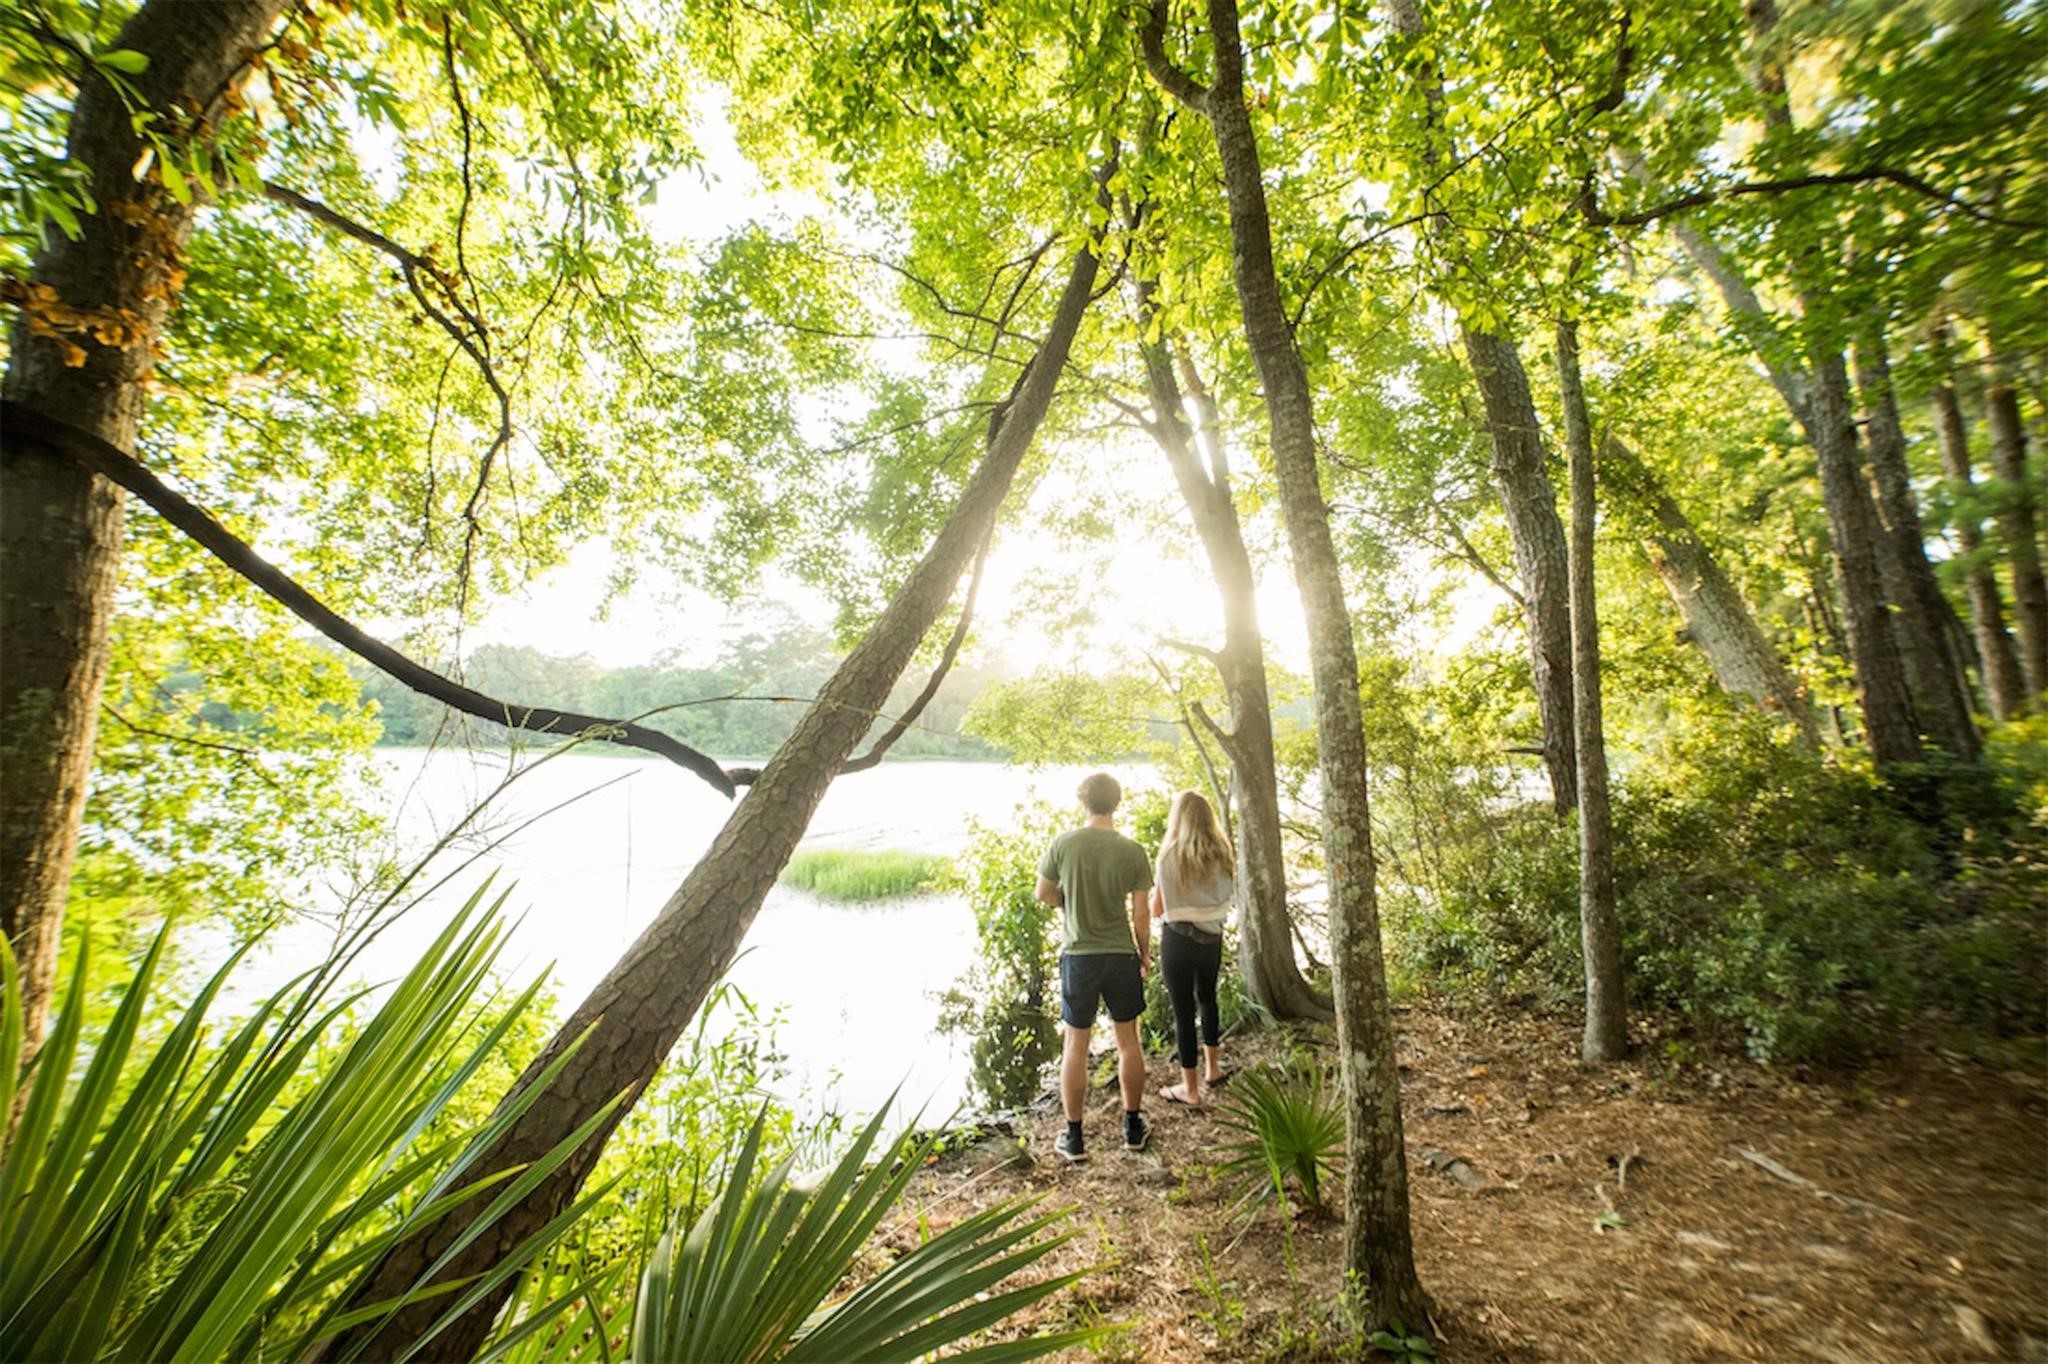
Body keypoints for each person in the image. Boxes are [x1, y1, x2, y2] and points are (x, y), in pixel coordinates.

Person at [1036, 770, 1153, 1162]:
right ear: (1116, 803)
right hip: (1120, 955)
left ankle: (1074, 1137)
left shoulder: (1064, 844)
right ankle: (1133, 1128)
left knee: (1076, 1044)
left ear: (1083, 802)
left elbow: (1044, 894)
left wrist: (1069, 902)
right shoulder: (1133, 851)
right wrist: (1145, 954)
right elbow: (1140, 914)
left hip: (1079, 957)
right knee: (1128, 1043)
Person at [1150, 789, 1235, 1107]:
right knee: (1208, 1000)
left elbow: (1158, 909)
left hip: (1178, 941)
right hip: (1212, 938)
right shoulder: (1223, 853)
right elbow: (1227, 897)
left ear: (1179, 819)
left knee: (1183, 1013)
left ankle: (1190, 1089)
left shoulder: (1169, 855)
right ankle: (1212, 1069)